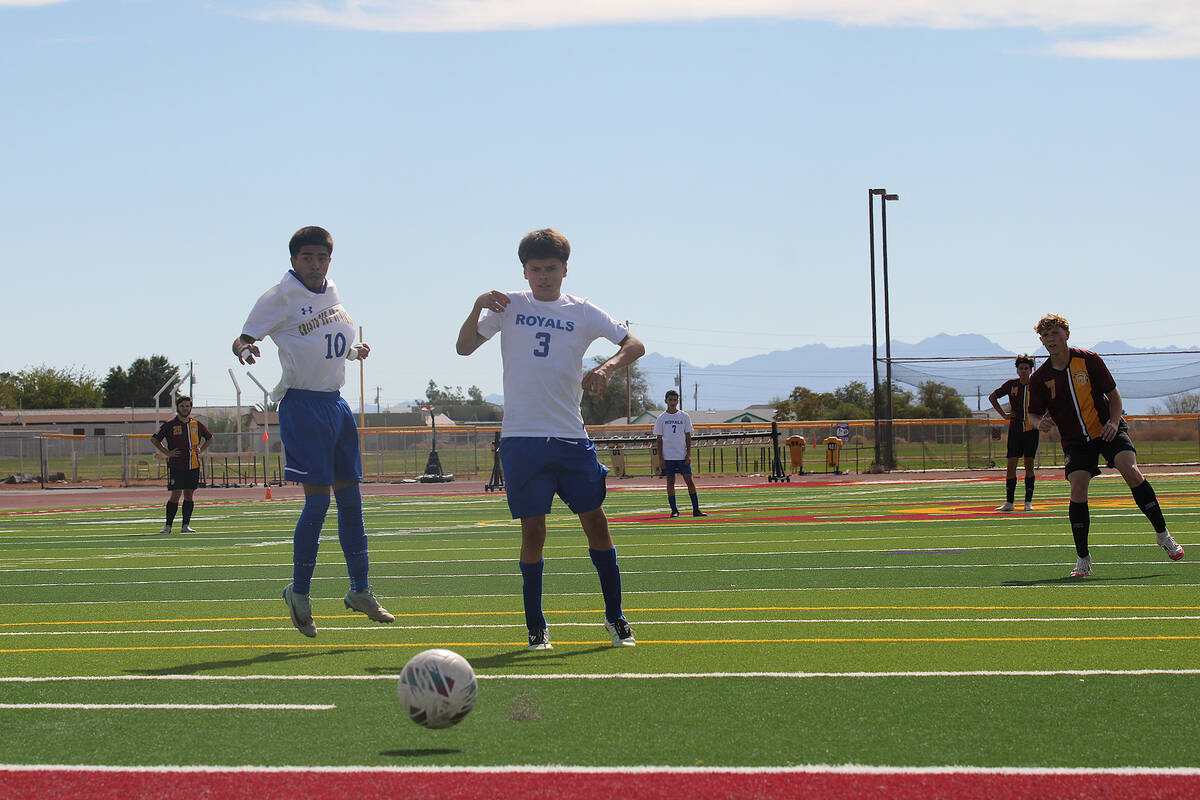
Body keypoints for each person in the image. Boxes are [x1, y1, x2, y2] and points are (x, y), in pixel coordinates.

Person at [456, 228, 645, 651]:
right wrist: (476, 306)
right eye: (536, 269)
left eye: (551, 268)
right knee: (533, 531)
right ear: (524, 271)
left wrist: (607, 367)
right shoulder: (508, 304)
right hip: (522, 437)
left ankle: (616, 617)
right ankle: (536, 626)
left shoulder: (582, 309)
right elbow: (464, 348)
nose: (543, 276)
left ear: (565, 270)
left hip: (569, 434)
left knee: (596, 523)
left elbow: (635, 344)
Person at [232, 225, 393, 637]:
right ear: (293, 260)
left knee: (352, 502)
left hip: (336, 405)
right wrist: (246, 348)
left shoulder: (331, 291)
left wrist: (351, 351)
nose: (315, 264)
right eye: (307, 257)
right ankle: (299, 592)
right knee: (319, 503)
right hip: (303, 406)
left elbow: (321, 341)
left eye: (322, 257)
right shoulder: (279, 296)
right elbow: (242, 338)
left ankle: (360, 590)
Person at [1026, 313, 1185, 577]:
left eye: (1055, 333)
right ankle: (1083, 558)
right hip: (1076, 441)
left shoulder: (1089, 360)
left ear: (1066, 334)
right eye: (1045, 335)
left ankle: (1163, 535)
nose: (1050, 339)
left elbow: (1113, 395)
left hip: (1107, 429)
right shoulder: (1040, 377)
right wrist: (1038, 423)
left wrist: (1113, 421)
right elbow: (1032, 414)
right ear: (1041, 341)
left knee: (1130, 470)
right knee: (1077, 487)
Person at [149, 394, 212, 533]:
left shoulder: (196, 424)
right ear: (178, 407)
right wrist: (167, 452)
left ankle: (185, 525)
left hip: (193, 464)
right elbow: (155, 439)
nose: (185, 408)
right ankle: (168, 526)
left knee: (189, 494)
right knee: (176, 493)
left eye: (187, 406)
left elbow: (210, 437)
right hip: (176, 464)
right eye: (182, 406)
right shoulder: (170, 424)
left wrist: (201, 449)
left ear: (191, 408)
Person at [988, 355, 1039, 512]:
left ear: (1031, 370)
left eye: (1026, 368)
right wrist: (1004, 415)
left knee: (1029, 466)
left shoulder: (1036, 385)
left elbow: (1051, 401)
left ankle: (1028, 502)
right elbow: (993, 397)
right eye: (1021, 368)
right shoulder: (1011, 385)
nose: (1023, 371)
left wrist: (1044, 417)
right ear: (1017, 370)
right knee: (1011, 466)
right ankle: (1009, 502)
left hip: (1031, 431)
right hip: (1015, 430)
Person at [654, 389, 707, 518]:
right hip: (668, 456)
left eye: (674, 400)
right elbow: (659, 440)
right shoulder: (661, 418)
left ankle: (696, 509)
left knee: (689, 480)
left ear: (678, 401)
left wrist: (688, 454)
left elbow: (688, 436)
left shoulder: (684, 416)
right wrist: (661, 458)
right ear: (666, 401)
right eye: (670, 400)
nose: (672, 402)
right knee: (670, 481)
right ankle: (674, 510)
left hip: (681, 455)